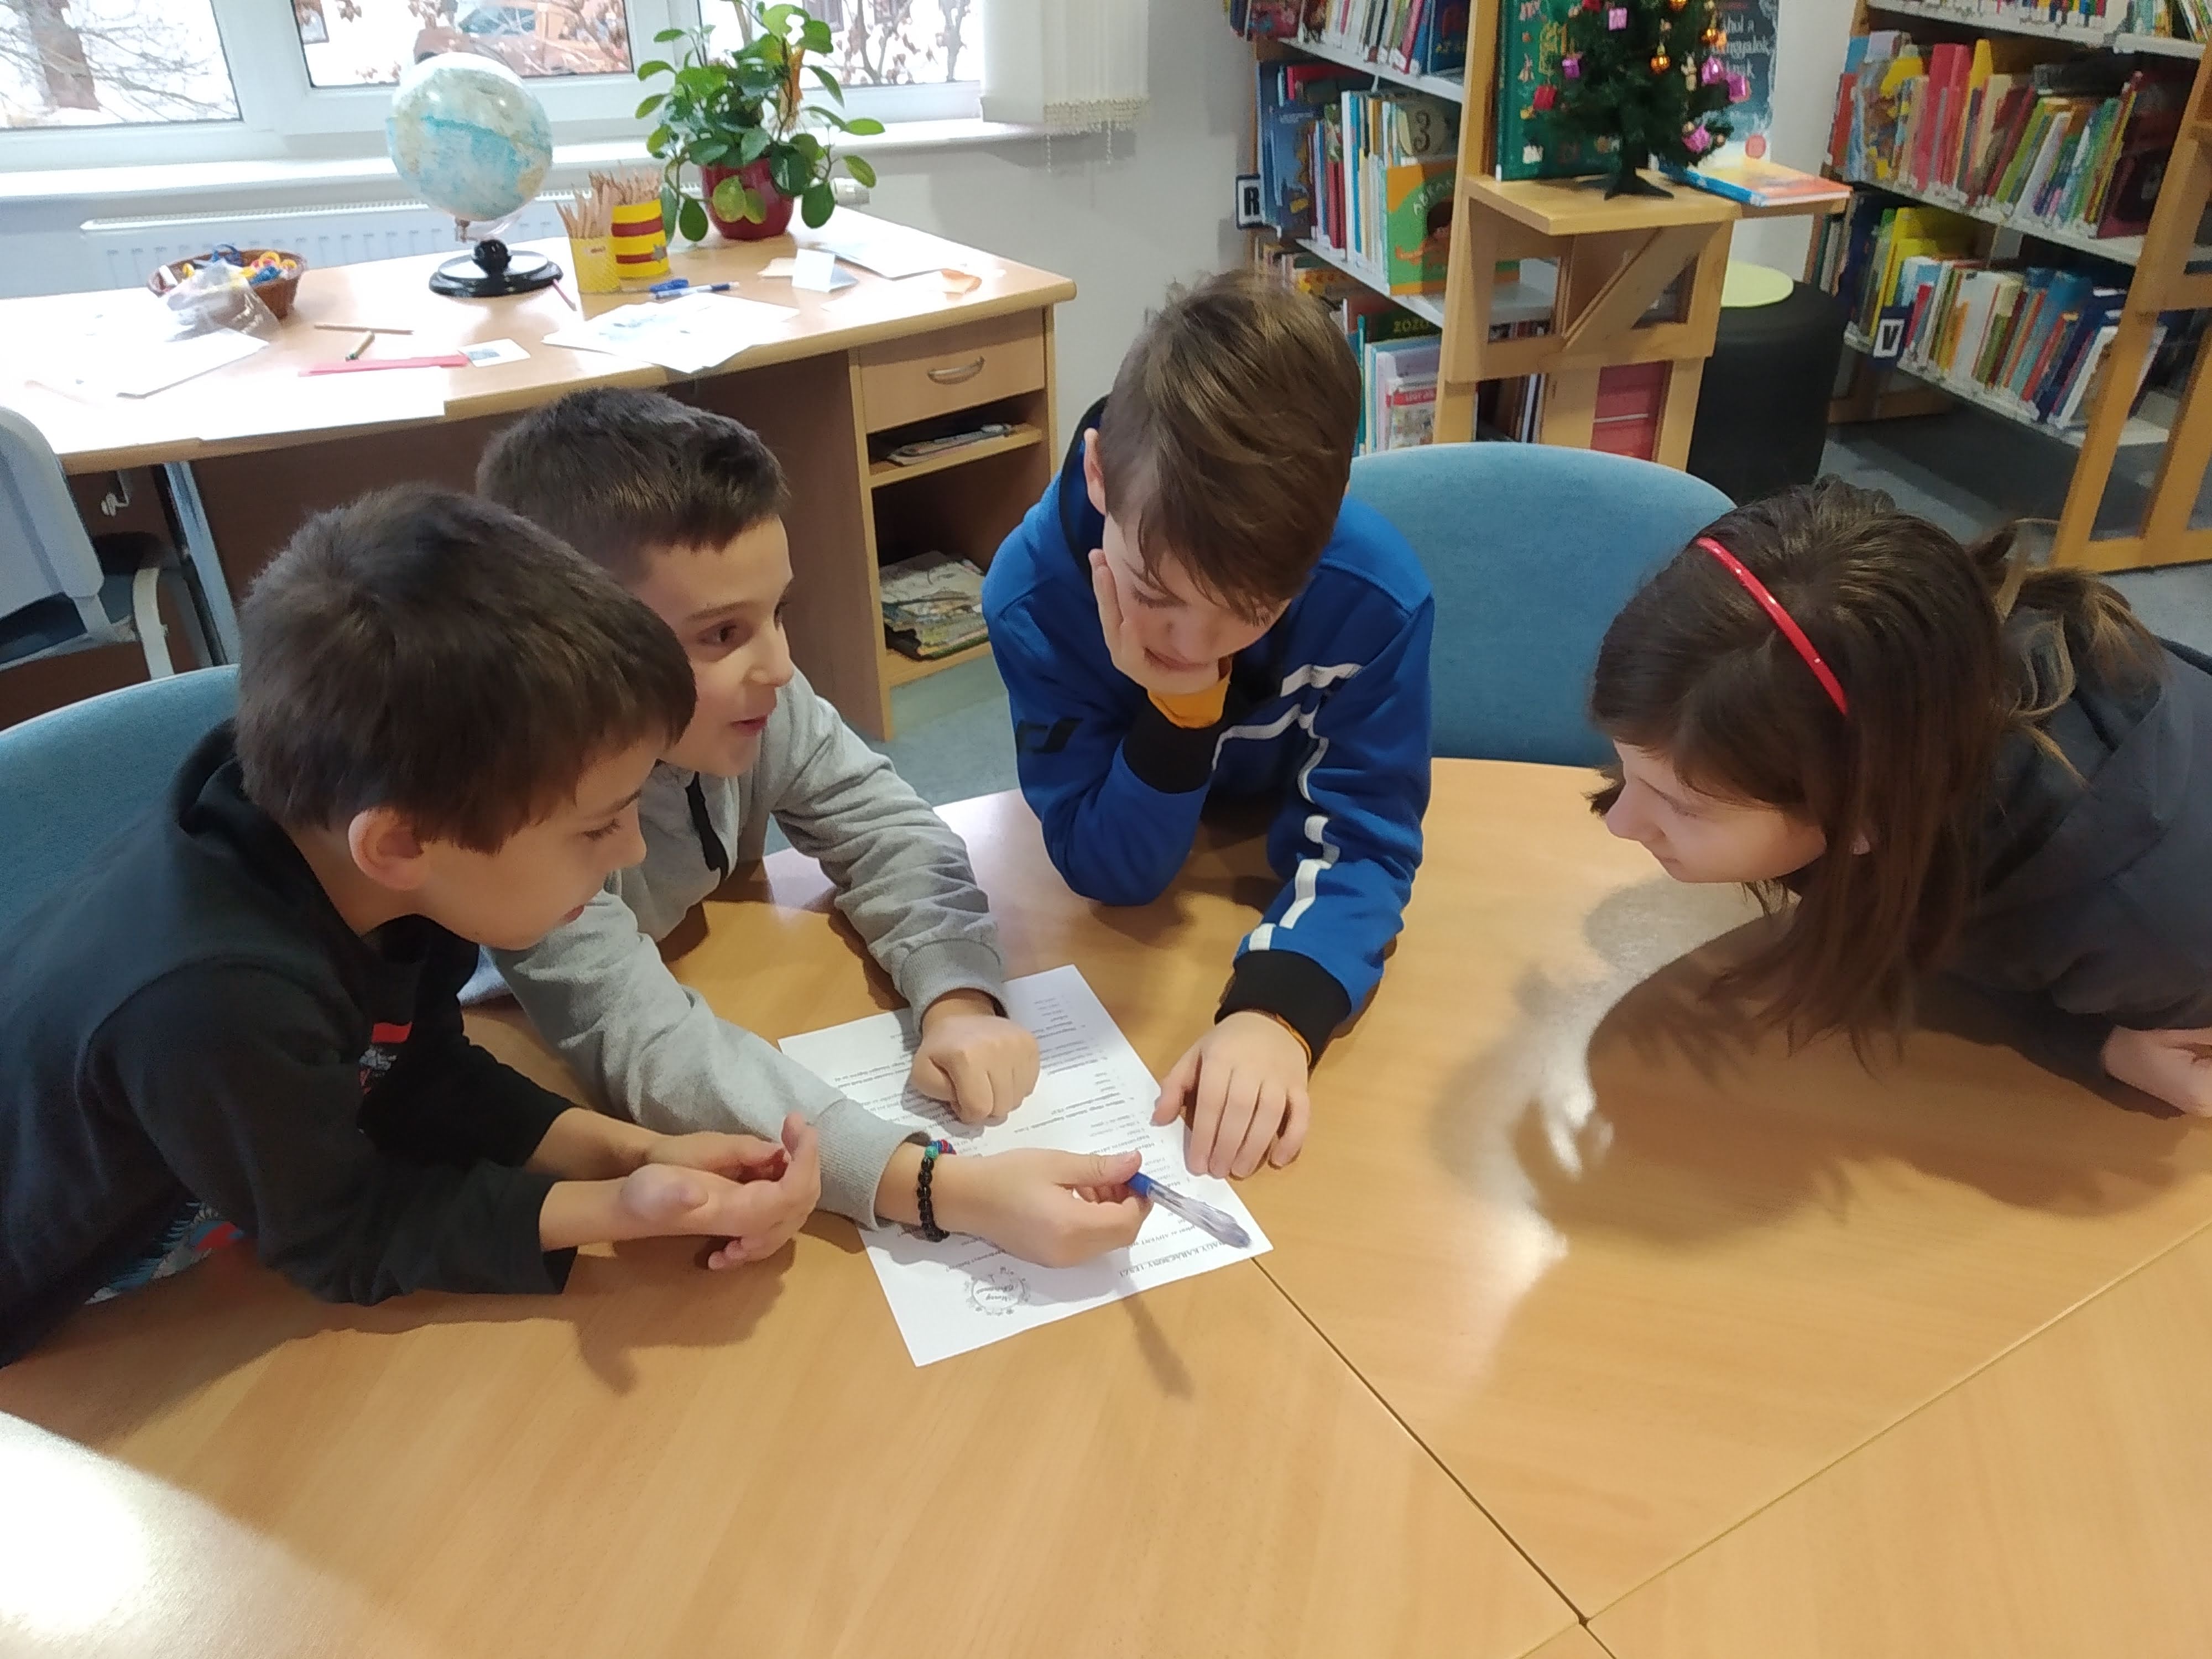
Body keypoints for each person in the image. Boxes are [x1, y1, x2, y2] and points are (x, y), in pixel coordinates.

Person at [0, 486, 862, 1367]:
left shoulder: (394, 860)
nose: (633, 850)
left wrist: (634, 1158)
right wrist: (611, 1211)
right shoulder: (211, 1004)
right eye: (598, 826)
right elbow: (342, 1233)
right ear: (400, 843)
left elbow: (408, 1074)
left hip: (226, 1186)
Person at [477, 388, 1148, 1265]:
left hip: (704, 962)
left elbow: (890, 830)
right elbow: (648, 1047)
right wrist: (938, 1188)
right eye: (722, 632)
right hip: (503, 1050)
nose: (781, 666)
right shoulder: (523, 819)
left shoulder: (756, 703)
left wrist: (956, 999)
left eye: (778, 613)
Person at [983, 269, 1434, 1178]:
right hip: (1138, 911)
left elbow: (1367, 838)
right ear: (1098, 473)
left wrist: (1276, 1011)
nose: (1190, 646)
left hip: (1262, 875)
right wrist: (1180, 712)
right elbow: (1112, 874)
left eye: (1251, 612)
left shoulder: (1375, 597)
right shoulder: (1031, 599)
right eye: (1154, 595)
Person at [1591, 479, 2212, 1115]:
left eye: (1683, 806)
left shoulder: (2147, 937)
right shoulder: (1896, 666)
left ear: (1865, 815)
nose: (1620, 822)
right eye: (1625, 766)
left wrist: (2099, 1046)